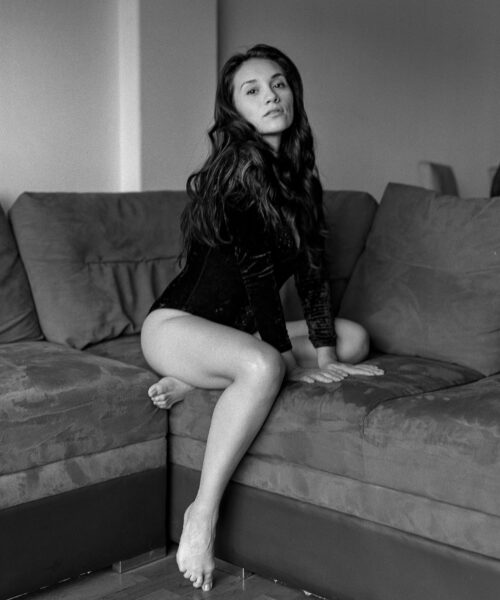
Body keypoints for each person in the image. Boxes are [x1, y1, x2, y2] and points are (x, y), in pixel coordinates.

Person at [141, 43, 384, 592]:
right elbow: (255, 276)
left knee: (353, 339)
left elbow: (313, 275)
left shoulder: (300, 179)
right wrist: (287, 362)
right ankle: (202, 513)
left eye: (278, 83)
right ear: (235, 111)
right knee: (264, 366)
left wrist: (327, 358)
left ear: (293, 92)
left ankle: (202, 380)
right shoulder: (237, 172)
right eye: (252, 90)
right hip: (177, 326)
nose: (271, 96)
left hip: (236, 334)